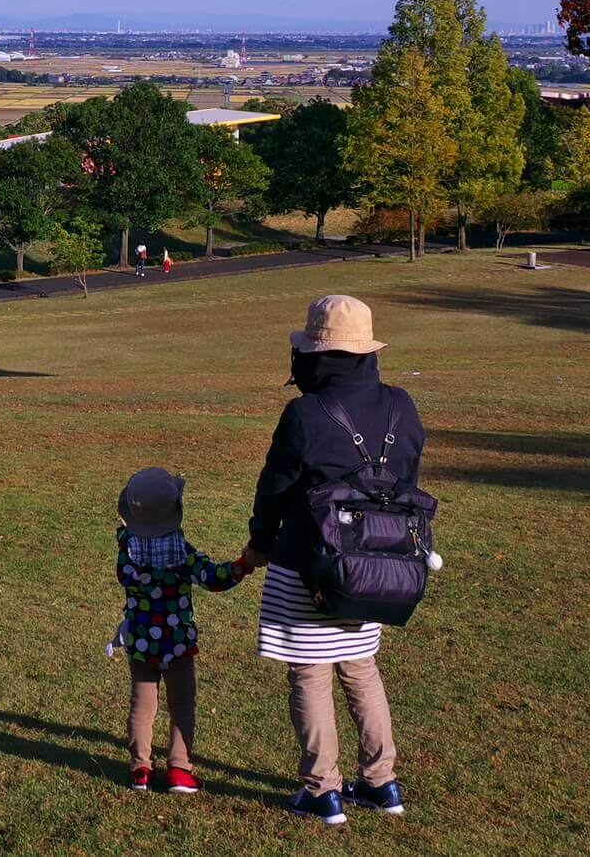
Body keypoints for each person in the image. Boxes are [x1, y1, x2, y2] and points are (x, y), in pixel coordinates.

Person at [237, 295, 425, 826]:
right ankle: (381, 782)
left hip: (309, 561)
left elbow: (274, 489)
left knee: (311, 673)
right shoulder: (401, 404)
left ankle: (323, 789)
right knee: (361, 669)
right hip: (378, 564)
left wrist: (259, 543)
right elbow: (405, 478)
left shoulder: (304, 412)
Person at [109, 466, 250, 793]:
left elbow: (127, 574)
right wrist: (241, 566)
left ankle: (140, 768)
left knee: (141, 706)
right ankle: (179, 769)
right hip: (178, 643)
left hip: (141, 642)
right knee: (182, 706)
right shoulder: (181, 554)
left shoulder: (126, 552)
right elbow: (215, 578)